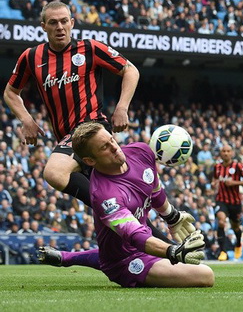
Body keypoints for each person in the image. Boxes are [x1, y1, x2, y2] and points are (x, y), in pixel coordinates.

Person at [3, 1, 173, 261]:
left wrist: (122, 107)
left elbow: (130, 70)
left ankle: (103, 204)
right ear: (43, 27)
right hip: (70, 141)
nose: (60, 27)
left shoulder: (90, 48)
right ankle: (175, 253)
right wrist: (25, 119)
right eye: (53, 22)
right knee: (117, 214)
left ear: (72, 23)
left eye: (64, 21)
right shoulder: (31, 57)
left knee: (54, 172)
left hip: (92, 129)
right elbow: (10, 92)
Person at [41, 122, 214, 287]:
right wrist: (173, 251)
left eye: (111, 140)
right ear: (90, 161)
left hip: (130, 247)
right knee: (205, 275)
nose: (114, 147)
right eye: (104, 147)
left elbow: (154, 189)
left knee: (111, 250)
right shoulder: (105, 197)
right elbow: (136, 236)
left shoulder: (141, 151)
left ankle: (67, 257)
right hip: (126, 261)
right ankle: (93, 261)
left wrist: (171, 216)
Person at [212, 144, 243, 261]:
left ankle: (238, 243)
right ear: (221, 153)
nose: (225, 153)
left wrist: (234, 183)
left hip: (235, 202)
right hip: (221, 200)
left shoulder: (238, 166)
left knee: (235, 227)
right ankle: (223, 251)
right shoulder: (217, 167)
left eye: (228, 151)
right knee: (221, 221)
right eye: (223, 151)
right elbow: (214, 179)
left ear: (232, 153)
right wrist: (213, 184)